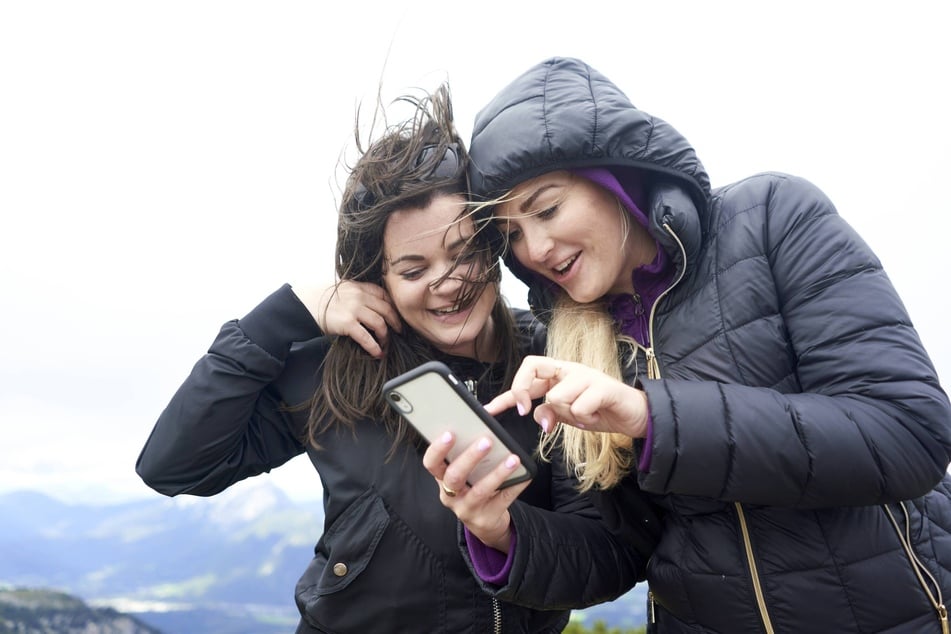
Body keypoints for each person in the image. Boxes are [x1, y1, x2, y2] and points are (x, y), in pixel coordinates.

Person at [447, 56, 951, 633]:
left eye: (548, 208)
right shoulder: (569, 340)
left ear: (615, 175)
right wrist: (499, 532)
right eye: (511, 233)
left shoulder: (772, 219)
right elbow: (618, 549)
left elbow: (910, 433)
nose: (534, 248)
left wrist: (651, 417)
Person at [135, 82, 644, 633]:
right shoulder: (336, 369)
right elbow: (174, 466)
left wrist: (504, 532)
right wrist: (284, 315)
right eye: (413, 269)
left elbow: (607, 557)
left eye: (463, 252)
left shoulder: (556, 359)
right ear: (376, 279)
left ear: (494, 248)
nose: (446, 284)